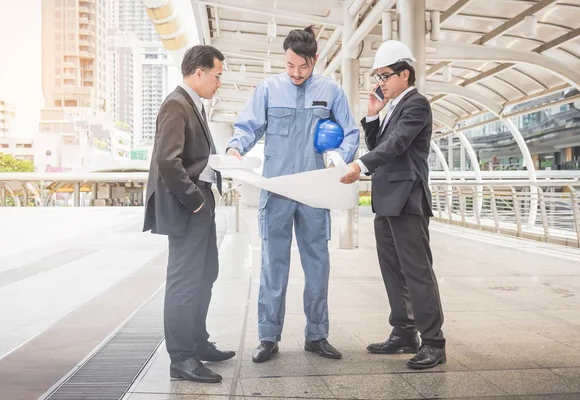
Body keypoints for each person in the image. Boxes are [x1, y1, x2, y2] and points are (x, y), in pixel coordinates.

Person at [226, 26, 360, 363]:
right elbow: (247, 127)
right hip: (278, 189)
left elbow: (351, 132)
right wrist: (234, 149)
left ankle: (317, 335)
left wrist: (340, 158)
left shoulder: (331, 91)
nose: (296, 73)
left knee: (318, 263)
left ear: (314, 60)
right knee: (274, 263)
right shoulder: (269, 89)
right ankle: (268, 337)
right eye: (290, 66)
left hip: (315, 190)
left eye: (303, 66)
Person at [340, 40, 446, 370]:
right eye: (378, 76)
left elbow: (397, 146)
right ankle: (404, 332)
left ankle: (433, 342)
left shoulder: (417, 105)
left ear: (405, 74)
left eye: (384, 76)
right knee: (393, 272)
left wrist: (359, 166)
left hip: (407, 200)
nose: (380, 83)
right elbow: (382, 145)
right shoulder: (393, 108)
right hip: (387, 200)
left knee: (417, 273)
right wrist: (372, 117)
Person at [143, 45, 235, 383]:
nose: (219, 82)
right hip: (187, 208)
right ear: (198, 72)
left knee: (206, 272)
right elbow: (168, 160)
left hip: (199, 205)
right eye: (217, 75)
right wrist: (196, 201)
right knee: (184, 282)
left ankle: (198, 342)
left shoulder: (192, 105)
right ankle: (181, 359)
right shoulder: (176, 104)